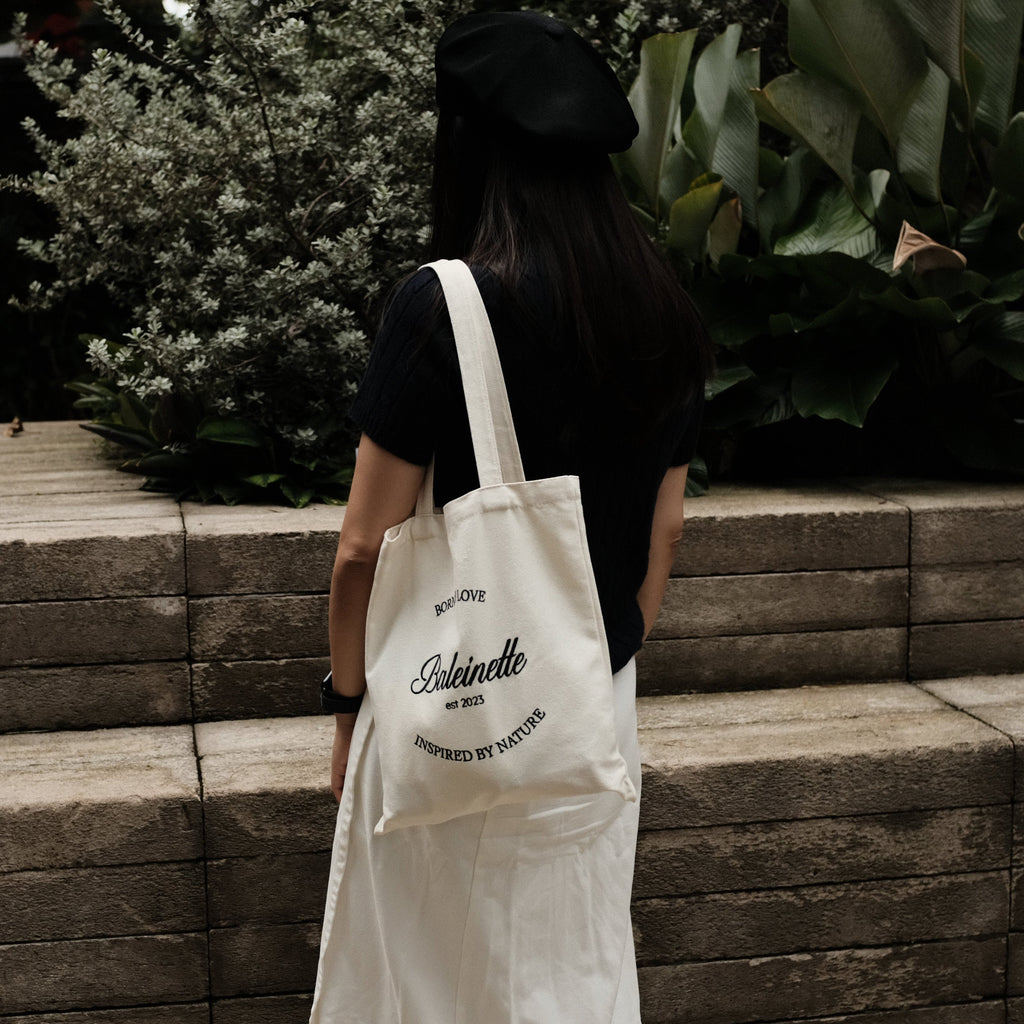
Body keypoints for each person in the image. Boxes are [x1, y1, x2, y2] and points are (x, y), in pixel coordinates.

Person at [309, 11, 713, 1024]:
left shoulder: (440, 306)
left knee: (433, 975)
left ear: (472, 149)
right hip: (593, 696)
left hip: (457, 694)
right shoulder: (665, 307)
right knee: (571, 960)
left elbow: (362, 547)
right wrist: (604, 651)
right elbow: (664, 529)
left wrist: (345, 701)